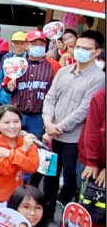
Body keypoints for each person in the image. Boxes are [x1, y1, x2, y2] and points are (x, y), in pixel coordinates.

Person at [41, 30, 105, 210]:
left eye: (86, 48)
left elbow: (84, 110)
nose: (80, 51)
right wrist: (48, 122)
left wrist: (57, 128)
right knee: (49, 177)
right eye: (78, 47)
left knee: (70, 181)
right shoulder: (63, 71)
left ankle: (68, 219)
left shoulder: (99, 78)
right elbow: (50, 98)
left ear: (97, 52)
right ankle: (45, 217)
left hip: (73, 140)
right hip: (51, 136)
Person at [4, 30, 57, 143]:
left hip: (38, 117)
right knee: (12, 144)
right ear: (26, 45)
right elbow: (6, 89)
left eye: (41, 44)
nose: (38, 47)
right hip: (18, 114)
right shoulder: (17, 63)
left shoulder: (53, 66)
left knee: (34, 146)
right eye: (34, 44)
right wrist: (9, 87)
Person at [0, 106, 40, 203]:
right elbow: (5, 169)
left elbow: (33, 167)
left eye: (16, 121)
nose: (12, 126)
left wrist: (9, 154)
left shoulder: (26, 141)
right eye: (7, 122)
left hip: (18, 197)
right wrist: (22, 150)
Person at [78, 86, 106, 190]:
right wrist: (91, 162)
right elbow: (91, 131)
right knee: (85, 196)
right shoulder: (100, 97)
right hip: (89, 160)